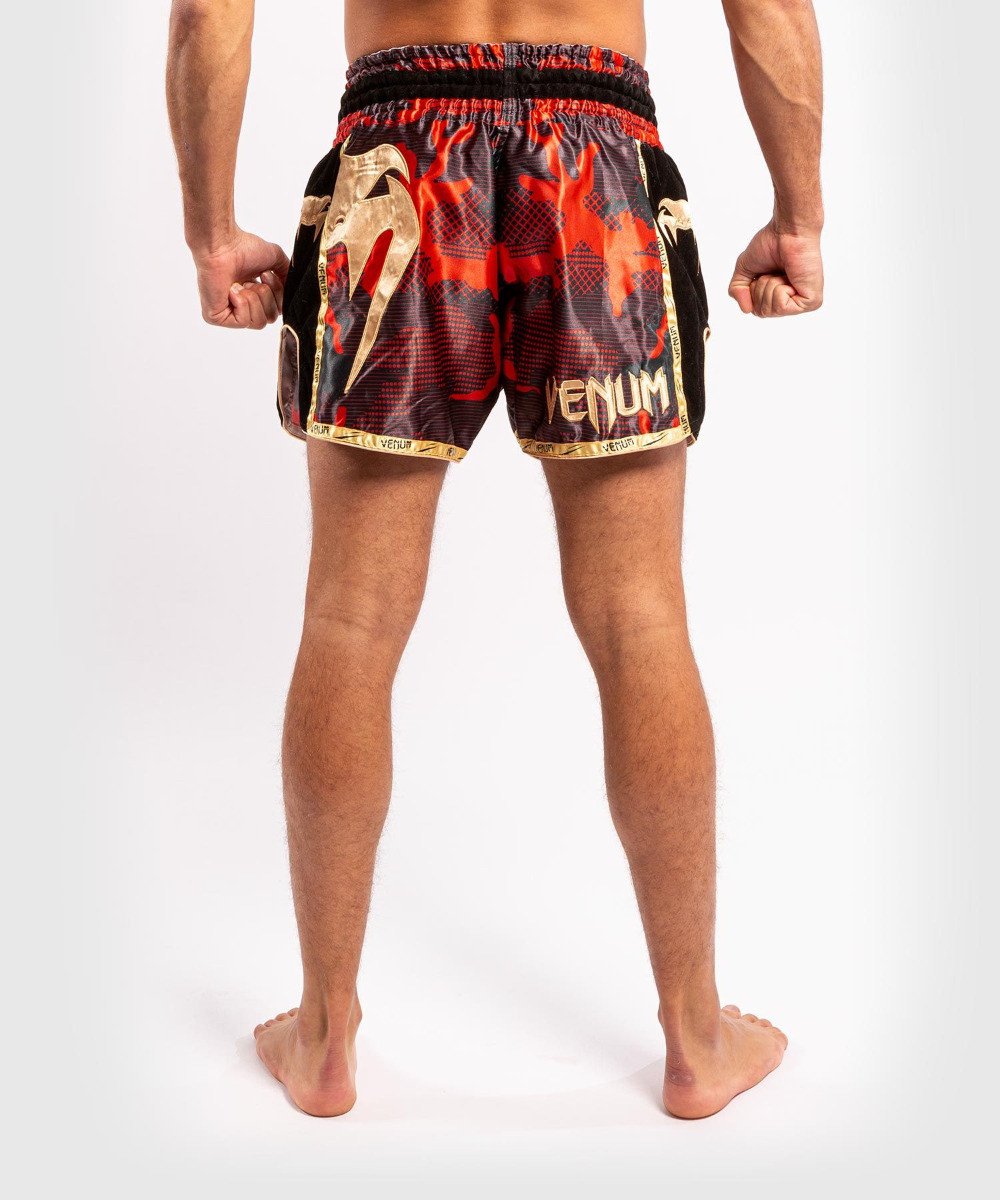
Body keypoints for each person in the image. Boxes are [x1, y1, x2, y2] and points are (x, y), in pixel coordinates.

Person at [166, 0, 823, 1119]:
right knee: (641, 619)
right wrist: (798, 213)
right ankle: (694, 1038)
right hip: (596, 158)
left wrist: (210, 229)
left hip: (398, 162)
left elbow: (205, 11)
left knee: (349, 619)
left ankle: (323, 1039)